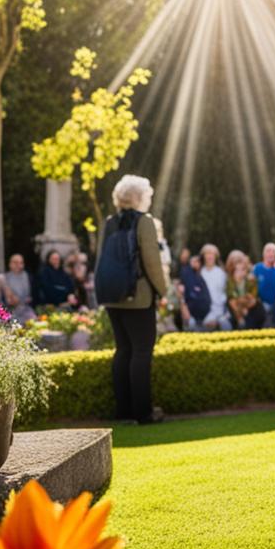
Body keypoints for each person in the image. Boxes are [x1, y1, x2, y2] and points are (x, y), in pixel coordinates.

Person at [99, 175, 168, 424]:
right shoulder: (144, 222)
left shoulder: (109, 222)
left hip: (112, 297)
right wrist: (163, 290)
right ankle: (144, 413)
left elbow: (100, 261)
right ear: (139, 197)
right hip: (138, 297)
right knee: (141, 352)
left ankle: (124, 411)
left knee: (123, 350)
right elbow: (152, 262)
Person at [0, 254, 36, 324]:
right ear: (10, 264)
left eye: (21, 263)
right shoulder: (2, 278)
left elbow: (29, 297)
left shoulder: (26, 276)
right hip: (9, 311)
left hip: (25, 309)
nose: (18, 265)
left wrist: (22, 300)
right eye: (15, 262)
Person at [198, 244, 230, 330]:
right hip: (203, 312)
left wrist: (218, 315)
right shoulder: (199, 273)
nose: (209, 256)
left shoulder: (221, 273)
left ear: (216, 256)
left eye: (212, 254)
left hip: (220, 312)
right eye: (207, 253)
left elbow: (223, 295)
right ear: (203, 256)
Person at [227, 260, 266, 329]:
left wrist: (243, 304)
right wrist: (241, 309)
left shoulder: (251, 281)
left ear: (245, 271)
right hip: (237, 310)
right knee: (232, 303)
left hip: (251, 308)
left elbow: (252, 298)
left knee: (257, 309)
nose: (239, 272)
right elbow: (231, 298)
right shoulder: (230, 282)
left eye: (242, 270)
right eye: (237, 270)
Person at [253, 242, 275, 327]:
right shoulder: (257, 268)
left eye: (273, 251)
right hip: (261, 305)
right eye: (268, 251)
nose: (271, 254)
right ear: (263, 254)